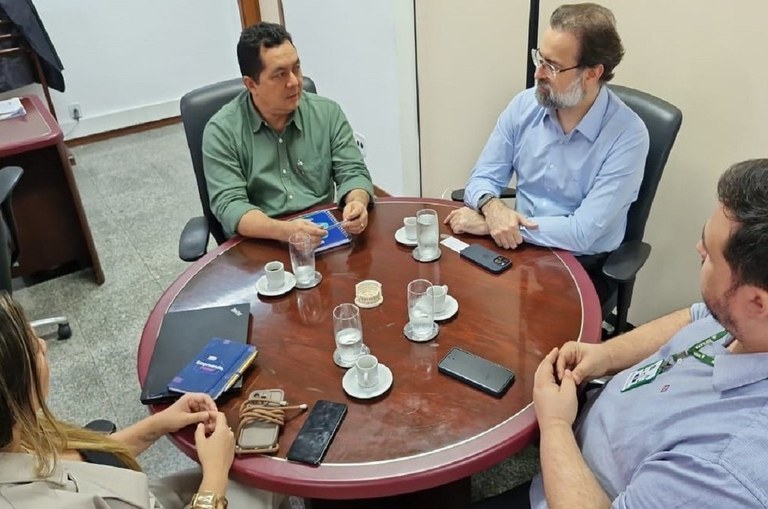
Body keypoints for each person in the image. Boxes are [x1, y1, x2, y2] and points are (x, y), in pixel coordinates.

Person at [474, 158, 768, 508]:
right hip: (585, 424)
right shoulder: (745, 322)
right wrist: (605, 355)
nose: (698, 249)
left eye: (710, 255)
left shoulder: (723, 470)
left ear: (757, 302)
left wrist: (555, 425)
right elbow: (695, 316)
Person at [0, 291, 287, 509]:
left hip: (135, 494)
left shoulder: (15, 431)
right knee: (266, 479)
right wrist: (215, 475)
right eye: (33, 348)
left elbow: (83, 461)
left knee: (252, 473)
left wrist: (156, 425)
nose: (44, 344)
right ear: (13, 389)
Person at [445, 3, 649, 302]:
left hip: (582, 264)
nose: (538, 73)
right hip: (517, 249)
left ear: (592, 73)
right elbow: (482, 178)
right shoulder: (523, 106)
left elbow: (581, 233)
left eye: (552, 66)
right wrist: (491, 207)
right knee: (455, 296)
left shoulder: (628, 135)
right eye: (539, 58)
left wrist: (494, 226)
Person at [203, 22, 374, 243]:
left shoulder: (328, 113)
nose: (294, 82)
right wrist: (284, 231)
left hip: (322, 235)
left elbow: (353, 172)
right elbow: (230, 205)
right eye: (280, 75)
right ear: (251, 84)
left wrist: (357, 201)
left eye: (296, 68)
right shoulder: (222, 132)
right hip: (260, 242)